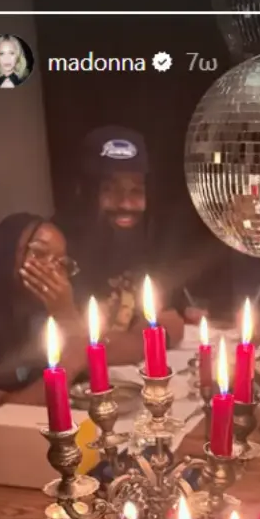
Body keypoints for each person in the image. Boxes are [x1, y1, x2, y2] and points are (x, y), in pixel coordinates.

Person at [56, 126, 202, 356]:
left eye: (136, 191)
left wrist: (181, 316)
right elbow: (68, 349)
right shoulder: (54, 246)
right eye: (109, 189)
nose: (125, 204)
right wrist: (149, 339)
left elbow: (169, 318)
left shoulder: (150, 240)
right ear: (83, 191)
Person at [0, 213, 89, 426]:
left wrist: (68, 315)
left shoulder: (43, 310)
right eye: (39, 253)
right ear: (4, 254)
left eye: (61, 263)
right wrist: (71, 361)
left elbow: (89, 383)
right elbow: (3, 415)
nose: (51, 268)